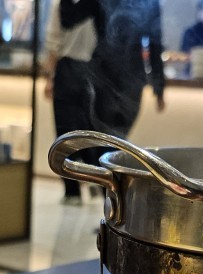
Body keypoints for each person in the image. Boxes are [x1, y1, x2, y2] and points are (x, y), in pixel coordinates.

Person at [60, 0, 165, 142]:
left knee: (107, 140)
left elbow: (68, 19)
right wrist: (159, 88)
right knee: (110, 139)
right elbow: (155, 44)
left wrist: (159, 87)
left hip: (112, 75)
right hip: (117, 76)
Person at [43, 0, 98, 204]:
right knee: (86, 130)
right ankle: (94, 179)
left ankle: (72, 191)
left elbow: (53, 41)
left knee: (65, 134)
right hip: (89, 72)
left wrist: (49, 76)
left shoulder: (60, 4)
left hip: (65, 70)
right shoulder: (92, 5)